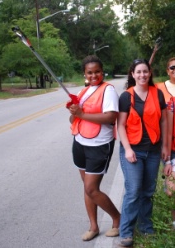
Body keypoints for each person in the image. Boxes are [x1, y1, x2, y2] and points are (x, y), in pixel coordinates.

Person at [67, 55, 120, 241]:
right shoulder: (83, 92)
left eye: (97, 71)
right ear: (85, 74)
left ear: (102, 71)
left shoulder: (108, 90)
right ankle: (94, 226)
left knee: (92, 188)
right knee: (87, 188)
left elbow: (110, 117)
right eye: (90, 72)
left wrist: (82, 113)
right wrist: (74, 112)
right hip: (80, 142)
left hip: (99, 145)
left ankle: (117, 219)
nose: (94, 75)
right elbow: (74, 119)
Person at [117, 59, 168, 247]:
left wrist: (165, 146)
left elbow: (163, 122)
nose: (142, 75)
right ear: (132, 74)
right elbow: (120, 125)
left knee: (148, 192)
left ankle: (146, 227)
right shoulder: (125, 96)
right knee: (133, 191)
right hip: (133, 150)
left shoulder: (158, 94)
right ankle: (126, 232)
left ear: (150, 72)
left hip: (153, 150)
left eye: (145, 72)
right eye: (138, 72)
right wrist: (128, 149)